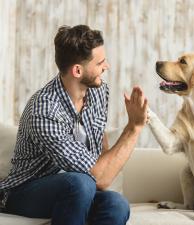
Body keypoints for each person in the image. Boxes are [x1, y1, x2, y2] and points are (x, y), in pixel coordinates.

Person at [0, 24, 148, 225]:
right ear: (77, 70)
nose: (107, 67)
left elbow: (101, 163)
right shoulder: (44, 109)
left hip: (78, 190)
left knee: (116, 203)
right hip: (24, 191)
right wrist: (134, 127)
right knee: (80, 182)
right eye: (100, 63)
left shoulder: (98, 92)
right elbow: (100, 178)